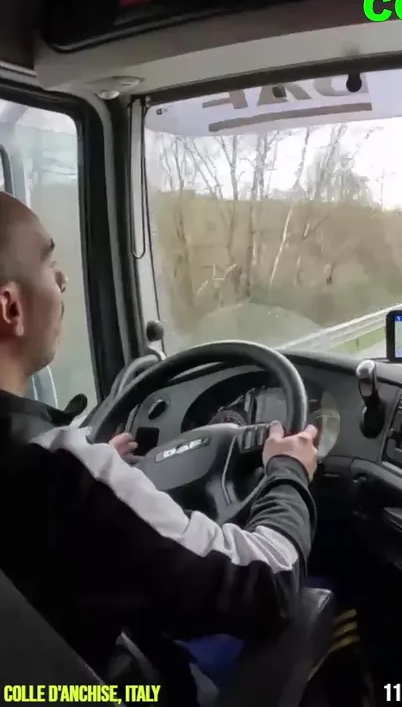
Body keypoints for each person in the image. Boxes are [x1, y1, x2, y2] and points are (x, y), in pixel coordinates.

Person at [0, 192, 321, 698]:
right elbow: (270, 582)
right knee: (318, 605)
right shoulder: (63, 473)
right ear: (10, 307)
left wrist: (106, 475)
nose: (62, 281)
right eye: (48, 264)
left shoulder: (60, 474)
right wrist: (288, 471)